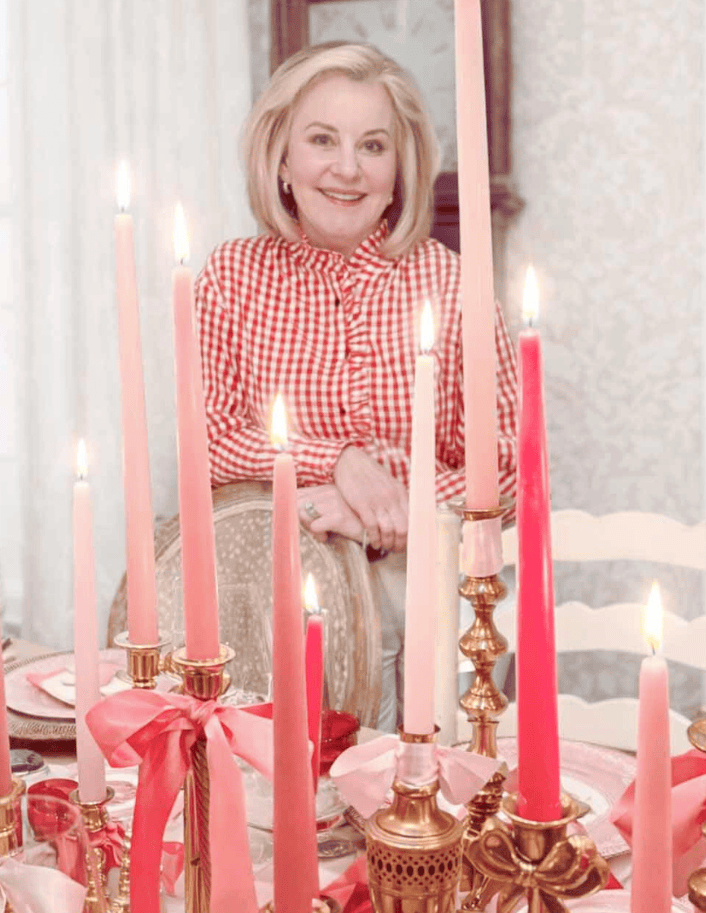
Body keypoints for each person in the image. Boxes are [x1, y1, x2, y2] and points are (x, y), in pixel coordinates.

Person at [196, 42, 518, 730]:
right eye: (321, 140)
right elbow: (211, 443)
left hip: (438, 594)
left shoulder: (454, 283)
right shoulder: (229, 277)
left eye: (373, 146)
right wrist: (340, 464)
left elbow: (510, 474)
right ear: (280, 157)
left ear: (400, 169)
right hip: (277, 590)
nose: (347, 168)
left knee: (428, 805)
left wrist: (385, 508)